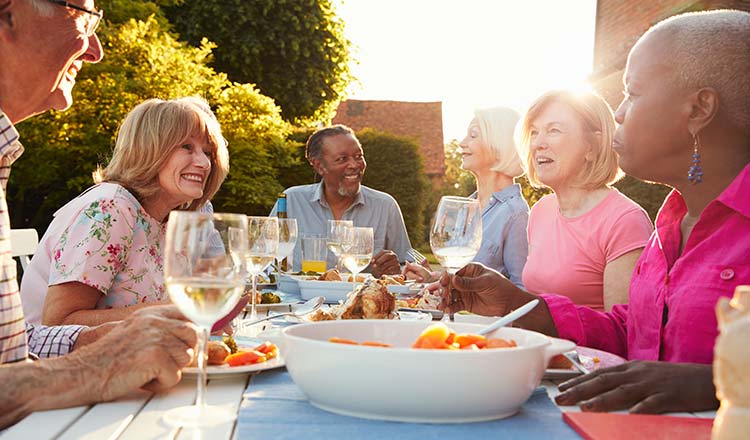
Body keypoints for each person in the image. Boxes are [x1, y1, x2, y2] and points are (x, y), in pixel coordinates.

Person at [439, 9, 750, 414]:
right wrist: (520, 305)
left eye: (633, 94)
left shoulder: (632, 220)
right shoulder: (670, 225)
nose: (618, 113)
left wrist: (713, 382)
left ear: (698, 109)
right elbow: (634, 332)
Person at [0, 0, 197, 428]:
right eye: (85, 15)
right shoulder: (111, 205)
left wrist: (115, 347)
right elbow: (55, 322)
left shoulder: (3, 156)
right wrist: (97, 366)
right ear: (8, 10)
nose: (96, 50)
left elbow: (11, 360)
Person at [20, 97, 229, 326]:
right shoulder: (110, 208)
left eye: (208, 152)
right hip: (56, 359)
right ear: (149, 149)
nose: (204, 163)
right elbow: (59, 322)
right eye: (186, 147)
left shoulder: (168, 219)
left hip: (131, 356)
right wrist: (172, 311)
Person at [517, 90, 653, 311]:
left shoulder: (625, 220)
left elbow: (623, 332)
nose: (537, 144)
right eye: (534, 132)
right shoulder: (542, 210)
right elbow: (534, 306)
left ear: (592, 146)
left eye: (553, 130)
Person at [403, 107, 529, 287]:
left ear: (499, 144)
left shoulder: (516, 214)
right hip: (457, 314)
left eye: (473, 135)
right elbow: (463, 277)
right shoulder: (469, 207)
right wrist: (433, 277)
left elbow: (522, 290)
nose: (462, 142)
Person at [271, 125, 411, 277]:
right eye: (342, 159)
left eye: (359, 156)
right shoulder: (292, 201)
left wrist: (394, 271)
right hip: (300, 300)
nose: (354, 165)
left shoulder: (385, 206)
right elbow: (268, 261)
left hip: (362, 299)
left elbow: (408, 268)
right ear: (319, 166)